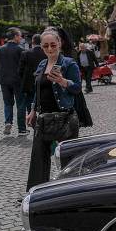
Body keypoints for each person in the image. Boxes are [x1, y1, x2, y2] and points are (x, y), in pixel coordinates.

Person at [25, 29, 82, 189]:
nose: (49, 49)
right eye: (45, 46)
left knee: (68, 159)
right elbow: (38, 91)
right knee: (39, 159)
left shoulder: (69, 64)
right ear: (41, 47)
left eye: (52, 45)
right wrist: (33, 111)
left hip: (65, 117)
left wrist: (63, 81)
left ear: (59, 44)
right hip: (43, 118)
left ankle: (70, 190)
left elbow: (77, 88)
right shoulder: (42, 64)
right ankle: (36, 192)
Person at [0, 28, 27, 135]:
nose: (21, 38)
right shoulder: (20, 49)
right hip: (17, 81)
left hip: (4, 80)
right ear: (15, 37)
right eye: (20, 36)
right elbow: (24, 67)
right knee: (21, 104)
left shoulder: (0, 49)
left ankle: (8, 122)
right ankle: (22, 129)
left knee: (7, 103)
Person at [20, 34, 47, 110]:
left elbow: (20, 70)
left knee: (29, 105)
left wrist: (24, 79)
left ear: (32, 41)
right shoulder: (46, 53)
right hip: (43, 82)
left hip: (29, 84)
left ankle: (31, 120)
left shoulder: (25, 53)